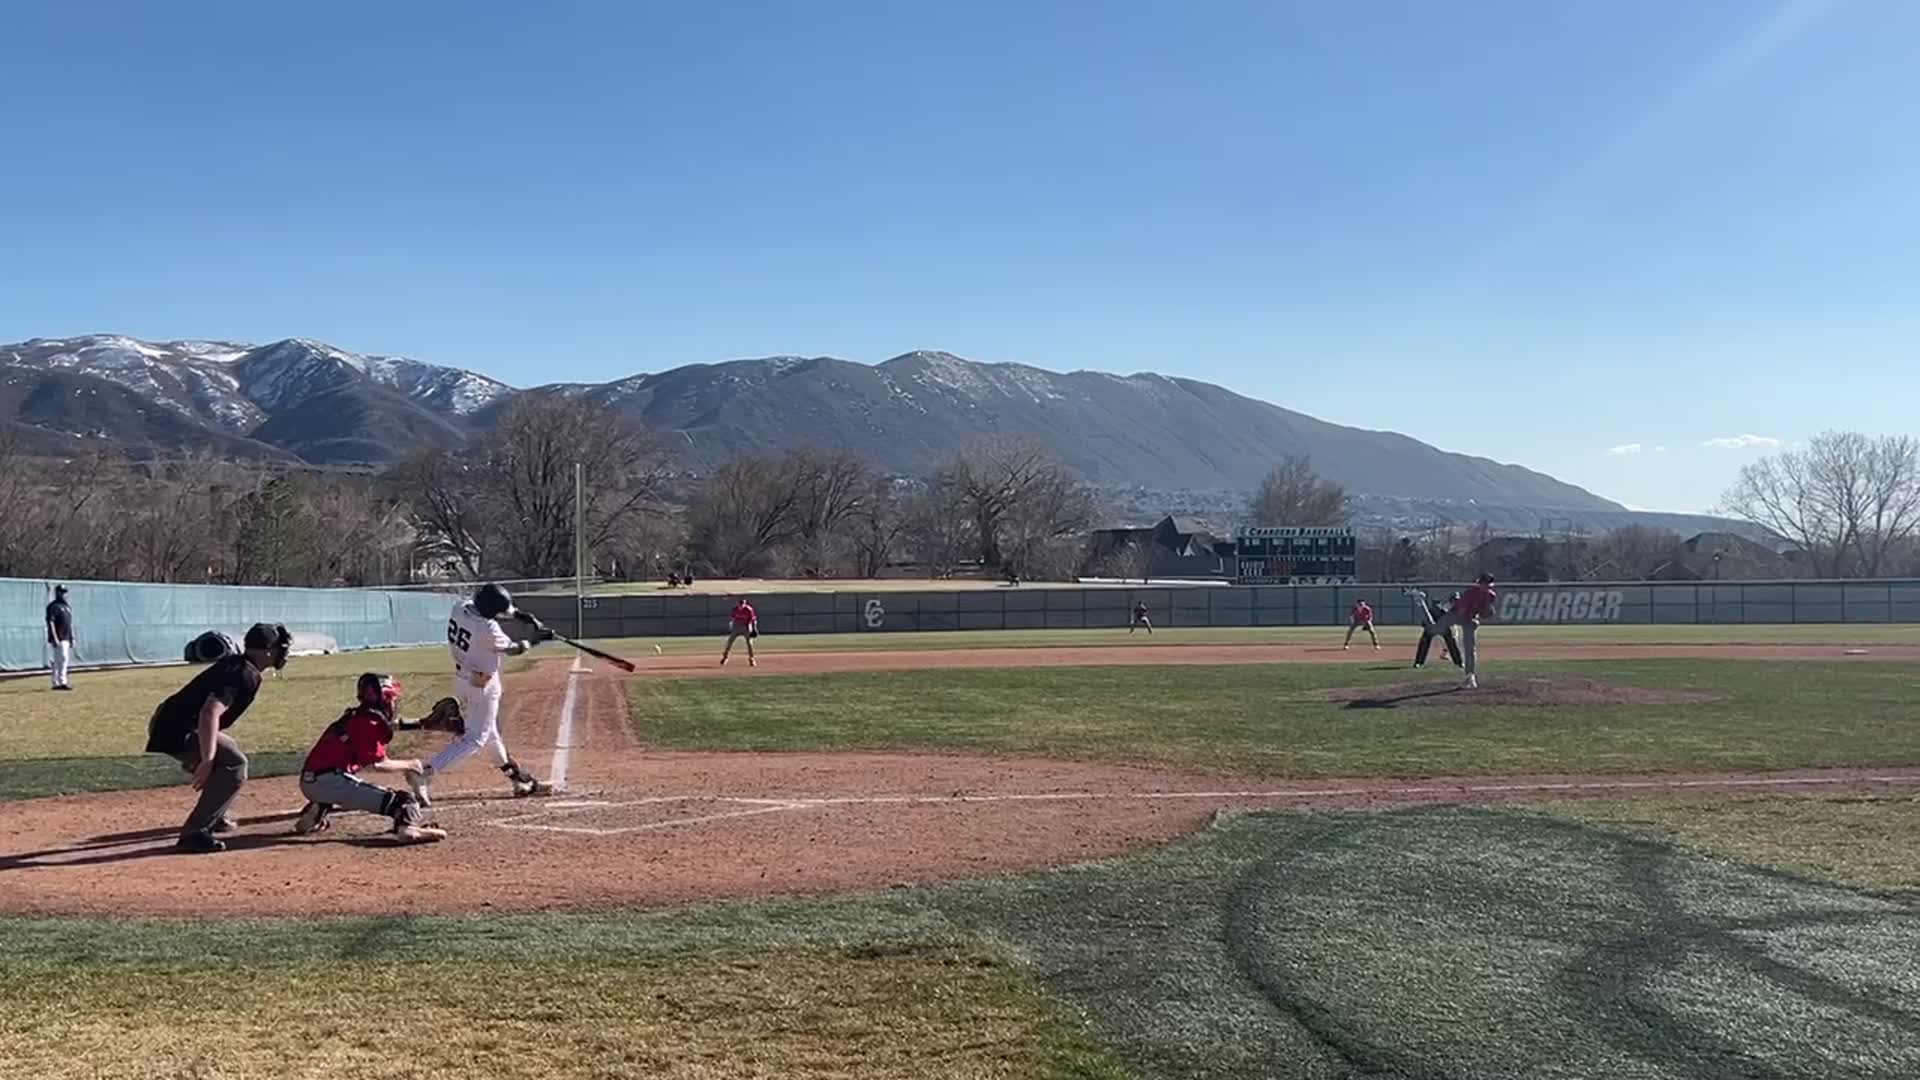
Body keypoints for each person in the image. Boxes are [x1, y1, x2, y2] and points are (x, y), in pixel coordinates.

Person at [144, 622, 291, 853]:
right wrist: (207, 759)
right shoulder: (244, 673)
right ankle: (195, 833)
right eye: (280, 648)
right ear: (268, 651)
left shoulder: (240, 666)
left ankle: (216, 813)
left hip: (171, 722)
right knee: (235, 764)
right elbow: (209, 712)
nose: (284, 653)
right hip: (177, 728)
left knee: (229, 750)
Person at [407, 584, 552, 808]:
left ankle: (519, 781)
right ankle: (425, 772)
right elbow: (514, 648)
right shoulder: (488, 629)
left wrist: (522, 616)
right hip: (483, 687)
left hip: (462, 680)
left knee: (490, 733)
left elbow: (491, 608)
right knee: (476, 739)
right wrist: (536, 639)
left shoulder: (460, 607)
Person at [293, 673, 447, 843]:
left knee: (335, 790)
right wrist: (411, 764)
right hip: (331, 782)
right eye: (390, 698)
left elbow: (386, 727)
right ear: (383, 698)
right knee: (404, 802)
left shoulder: (357, 716)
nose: (393, 703)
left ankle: (316, 811)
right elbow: (378, 764)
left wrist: (421, 723)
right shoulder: (368, 723)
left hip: (312, 781)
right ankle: (408, 829)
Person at [1434, 573, 1499, 689]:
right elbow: (1461, 611)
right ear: (1480, 584)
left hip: (1469, 618)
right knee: (1435, 629)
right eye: (1485, 584)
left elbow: (1482, 612)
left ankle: (1470, 676)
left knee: (1470, 646)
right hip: (1456, 614)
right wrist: (1474, 619)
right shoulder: (1470, 593)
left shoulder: (1491, 596)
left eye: (1489, 585)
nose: (1487, 587)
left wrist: (1478, 617)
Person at [1406, 588, 1464, 669]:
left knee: (1452, 642)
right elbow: (1424, 624)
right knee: (1424, 641)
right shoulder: (1429, 612)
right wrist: (1428, 626)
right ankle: (1419, 662)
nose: (1436, 606)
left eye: (1438, 604)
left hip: (1443, 628)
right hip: (1431, 629)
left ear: (1440, 604)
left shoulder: (1444, 611)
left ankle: (1459, 662)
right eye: (1434, 604)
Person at [45, 585, 75, 691]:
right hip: (59, 637)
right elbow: (51, 622)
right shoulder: (53, 606)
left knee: (61, 660)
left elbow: (69, 624)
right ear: (57, 593)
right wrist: (54, 637)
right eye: (61, 592)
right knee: (62, 658)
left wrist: (72, 637)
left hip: (66, 637)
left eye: (64, 592)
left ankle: (57, 682)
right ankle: (61, 682)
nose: (63, 594)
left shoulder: (67, 607)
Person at [721, 596, 758, 666]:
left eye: (743, 603)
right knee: (729, 641)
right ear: (738, 604)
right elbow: (732, 618)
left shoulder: (749, 609)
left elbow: (753, 620)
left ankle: (751, 659)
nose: (741, 605)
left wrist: (754, 628)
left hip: (746, 626)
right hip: (737, 626)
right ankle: (725, 657)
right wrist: (731, 626)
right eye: (740, 604)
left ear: (745, 603)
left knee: (749, 643)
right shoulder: (735, 609)